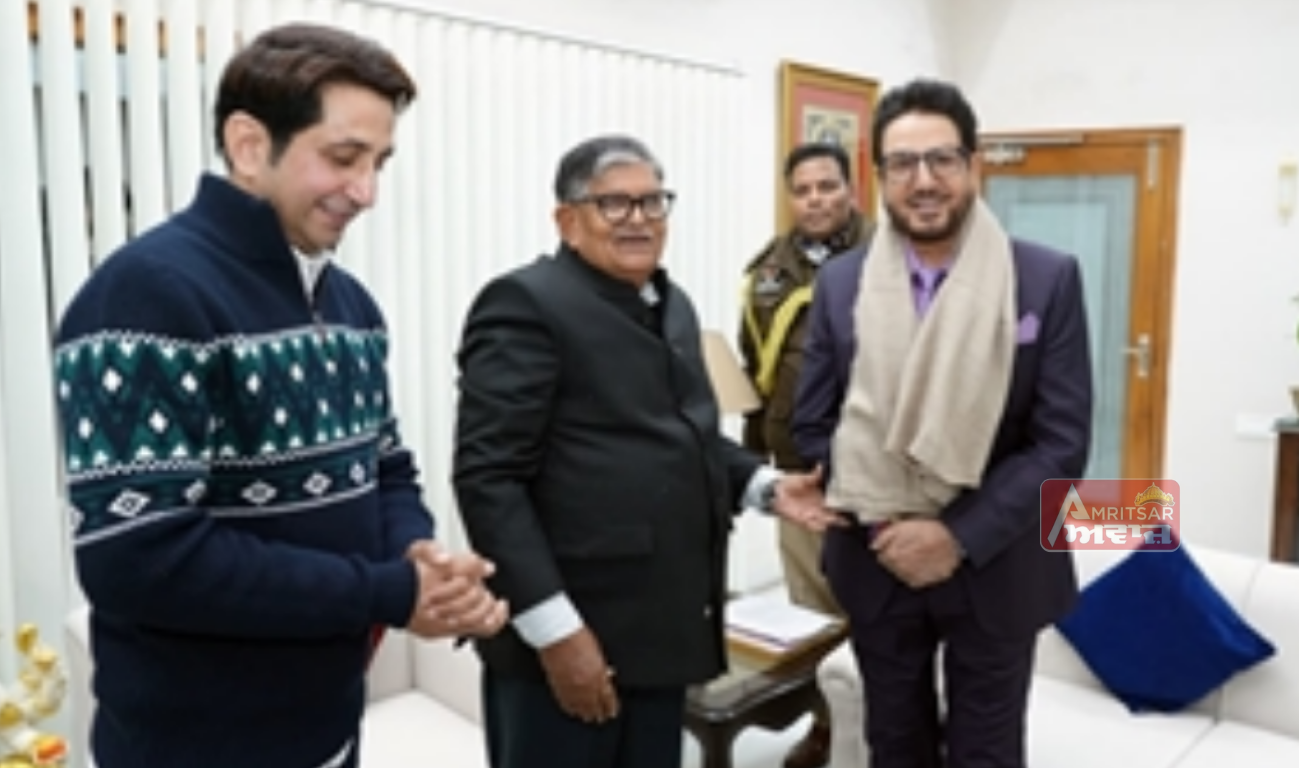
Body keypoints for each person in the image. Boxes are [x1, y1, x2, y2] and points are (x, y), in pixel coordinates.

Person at [51, 23, 507, 768]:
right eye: (343, 158)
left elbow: (385, 469)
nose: (366, 192)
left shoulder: (350, 305)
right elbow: (141, 560)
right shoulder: (146, 294)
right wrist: (389, 591)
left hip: (328, 729)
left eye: (379, 163)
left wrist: (415, 551)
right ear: (248, 144)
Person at [452, 134, 837, 768]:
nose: (639, 219)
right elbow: (488, 479)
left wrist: (764, 486)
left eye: (653, 202)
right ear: (567, 220)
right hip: (573, 636)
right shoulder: (525, 303)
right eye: (614, 204)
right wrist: (557, 634)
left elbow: (685, 434)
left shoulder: (671, 303)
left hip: (664, 635)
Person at [792, 78, 1092, 768]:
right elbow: (813, 424)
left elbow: (1061, 444)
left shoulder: (1045, 278)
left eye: (942, 160)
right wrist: (883, 519)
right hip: (878, 556)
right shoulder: (840, 283)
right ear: (879, 176)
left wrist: (956, 535)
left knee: (987, 753)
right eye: (903, 163)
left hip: (998, 563)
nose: (923, 181)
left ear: (973, 164)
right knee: (895, 747)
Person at [739, 141, 874, 768]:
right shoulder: (769, 271)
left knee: (876, 602)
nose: (815, 199)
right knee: (811, 602)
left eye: (827, 186)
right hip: (799, 466)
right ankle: (826, 724)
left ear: (851, 189)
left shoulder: (889, 255)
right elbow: (756, 367)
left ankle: (892, 724)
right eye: (803, 189)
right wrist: (755, 457)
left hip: (874, 465)